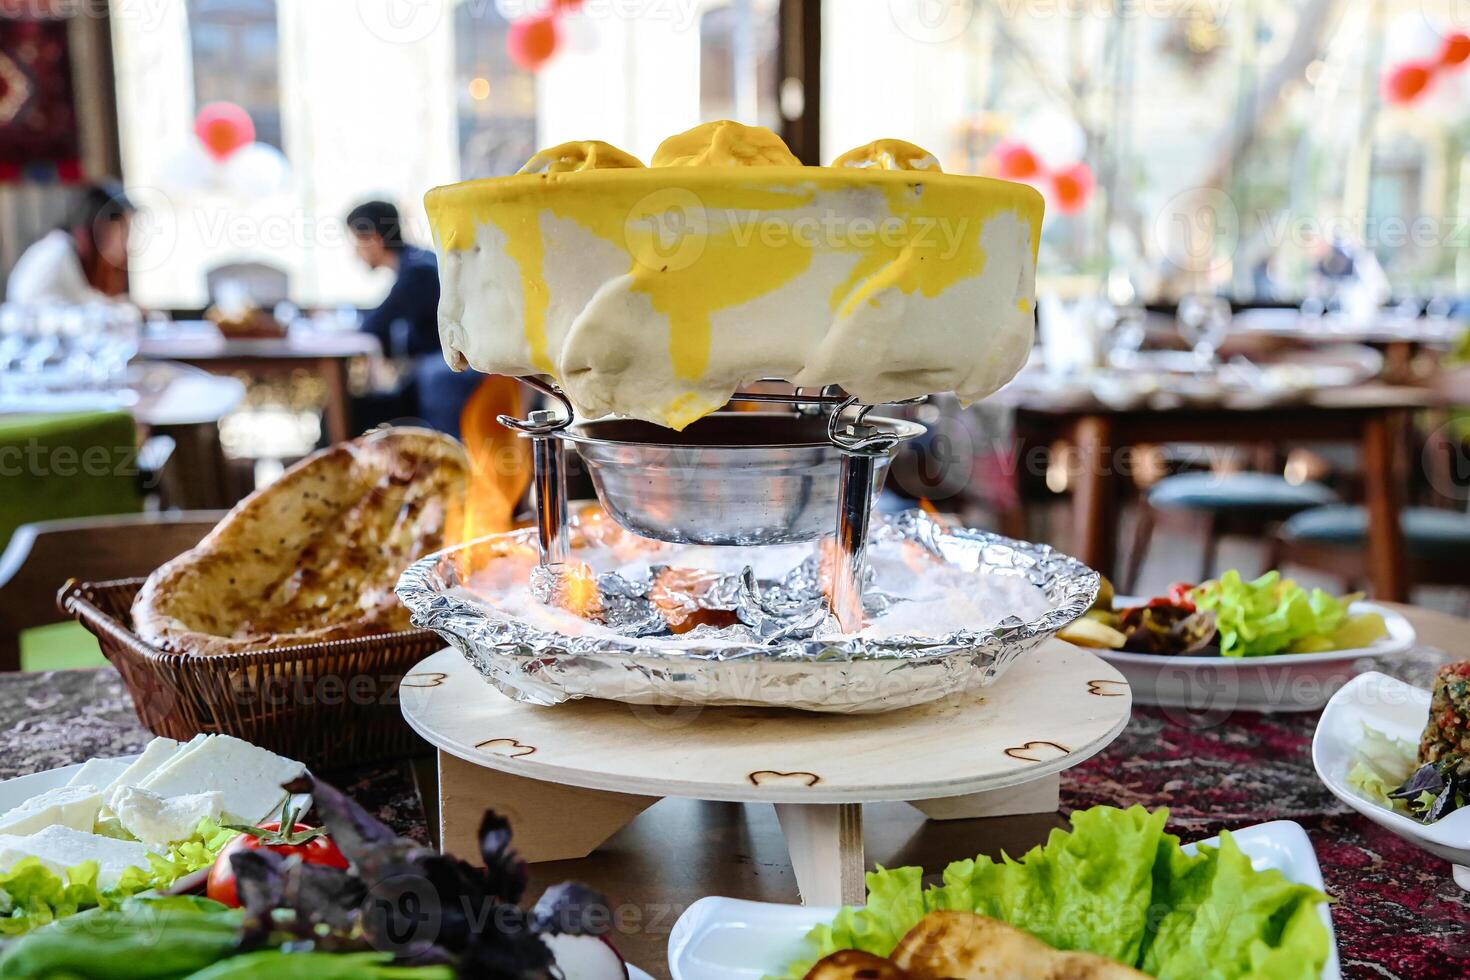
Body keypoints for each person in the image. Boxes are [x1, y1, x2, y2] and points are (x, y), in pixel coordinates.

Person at [345, 200, 480, 435]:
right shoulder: (417, 261)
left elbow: (374, 325)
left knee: (427, 377)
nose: (355, 254)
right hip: (455, 361)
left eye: (356, 243)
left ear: (373, 240)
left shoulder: (416, 273)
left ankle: (450, 456)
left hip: (462, 365)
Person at [7, 182, 134, 305]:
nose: (126, 243)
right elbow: (84, 303)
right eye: (123, 231)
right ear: (102, 228)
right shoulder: (58, 252)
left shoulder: (69, 251)